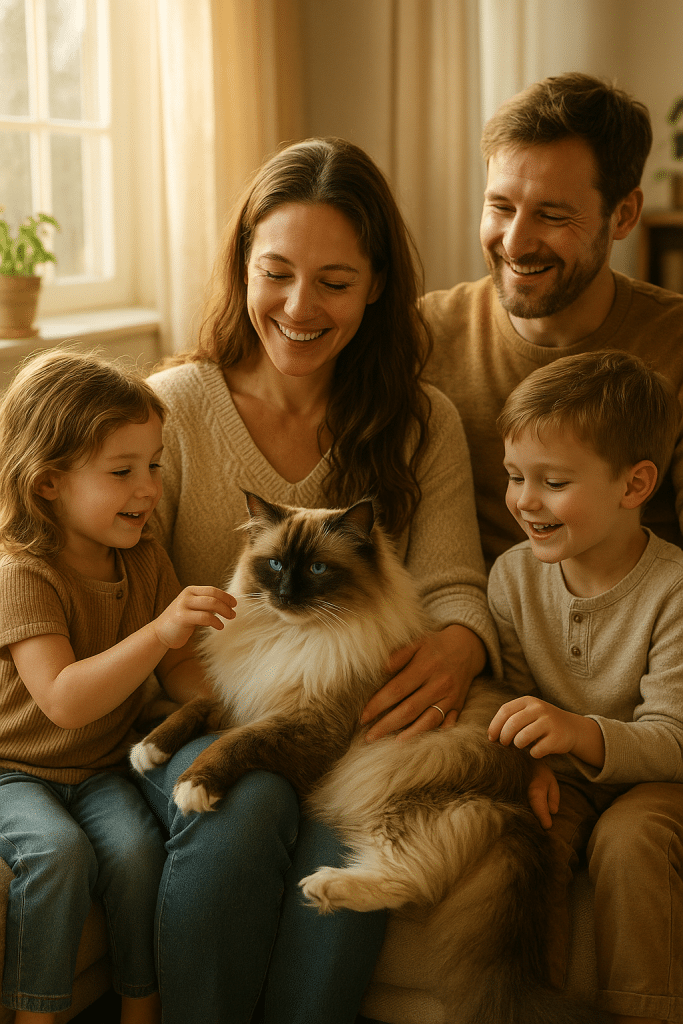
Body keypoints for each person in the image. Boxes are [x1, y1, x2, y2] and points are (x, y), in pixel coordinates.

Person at [138, 136, 500, 1024]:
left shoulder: (421, 421)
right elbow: (127, 606)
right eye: (277, 273)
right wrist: (240, 699)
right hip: (206, 712)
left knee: (350, 834)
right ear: (242, 270)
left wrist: (455, 647)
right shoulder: (174, 408)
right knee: (249, 803)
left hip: (354, 720)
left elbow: (454, 584)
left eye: (335, 282)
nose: (300, 307)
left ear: (377, 285)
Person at [0, 350, 236, 1024]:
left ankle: (142, 1009)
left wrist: (247, 701)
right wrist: (160, 631)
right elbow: (65, 699)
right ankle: (36, 1016)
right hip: (14, 770)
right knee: (57, 851)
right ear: (48, 483)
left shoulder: (144, 556)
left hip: (99, 768)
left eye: (154, 465)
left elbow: (182, 676)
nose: (149, 489)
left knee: (137, 854)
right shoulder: (23, 572)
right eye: (122, 472)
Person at [487, 350, 683, 1024]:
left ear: (633, 486)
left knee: (628, 840)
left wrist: (576, 733)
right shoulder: (511, 578)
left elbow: (677, 739)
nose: (524, 500)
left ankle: (643, 1013)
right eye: (514, 476)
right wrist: (530, 758)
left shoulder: (672, 591)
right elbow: (511, 696)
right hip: (566, 773)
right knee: (526, 836)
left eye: (553, 481)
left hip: (659, 781)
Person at [422, 71, 683, 574]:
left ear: (624, 214)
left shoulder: (674, 343)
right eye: (500, 206)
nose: (515, 244)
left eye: (552, 215)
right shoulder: (424, 335)